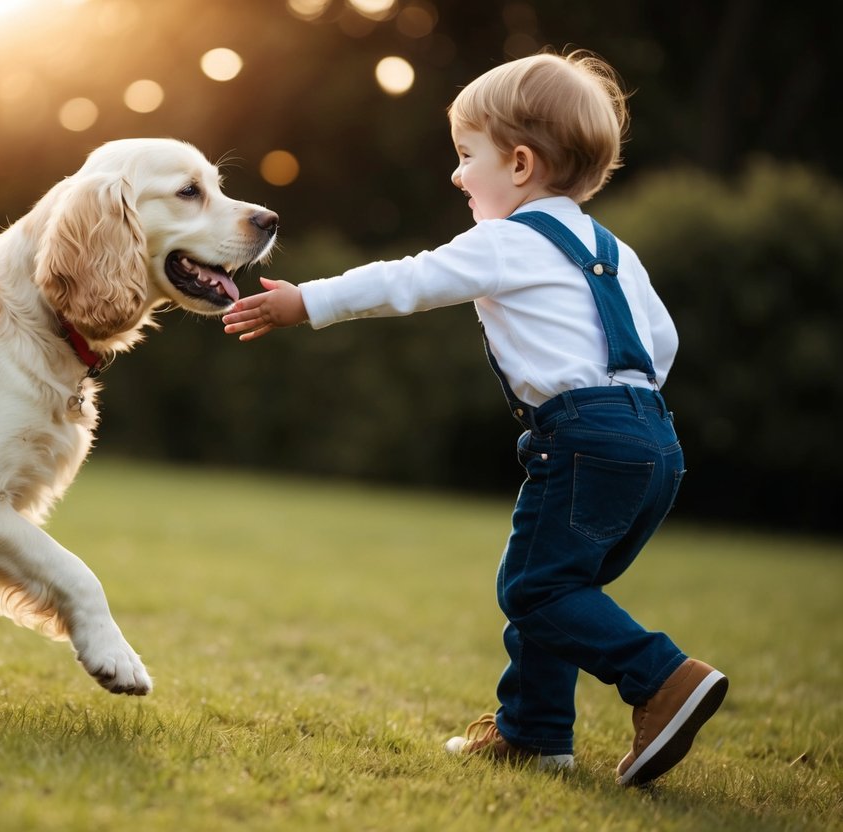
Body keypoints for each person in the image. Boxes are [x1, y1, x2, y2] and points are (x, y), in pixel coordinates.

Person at [222, 49, 727, 786]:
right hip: (652, 440)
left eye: (466, 156)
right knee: (556, 588)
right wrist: (629, 408)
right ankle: (533, 732)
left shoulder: (506, 240)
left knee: (535, 590)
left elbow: (412, 279)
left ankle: (662, 680)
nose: (457, 175)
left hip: (581, 440)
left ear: (518, 164)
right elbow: (662, 341)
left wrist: (310, 301)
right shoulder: (613, 250)